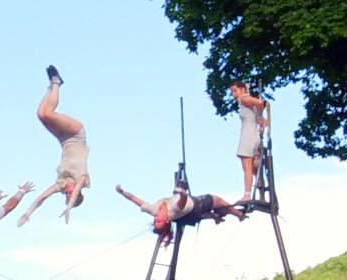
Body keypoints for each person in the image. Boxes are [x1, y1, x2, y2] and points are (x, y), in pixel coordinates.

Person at [18, 65, 89, 226]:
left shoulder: (61, 184)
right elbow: (77, 188)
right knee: (49, 114)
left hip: (63, 139)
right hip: (76, 134)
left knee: (41, 115)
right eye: (69, 195)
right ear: (76, 195)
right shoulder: (82, 179)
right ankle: (57, 82)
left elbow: (42, 197)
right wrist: (69, 207)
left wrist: (28, 212)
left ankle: (51, 85)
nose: (67, 193)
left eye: (67, 196)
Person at [116, 182, 245, 244]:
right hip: (196, 206)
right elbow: (182, 202)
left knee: (213, 211)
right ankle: (237, 214)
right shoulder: (173, 211)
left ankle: (214, 217)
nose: (156, 219)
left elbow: (135, 200)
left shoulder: (153, 210)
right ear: (166, 221)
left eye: (155, 221)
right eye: (159, 221)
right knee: (218, 201)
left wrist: (122, 192)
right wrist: (182, 192)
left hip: (191, 214)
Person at [229, 80, 266, 202]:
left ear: (242, 89)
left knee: (246, 165)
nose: (234, 94)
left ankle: (247, 194)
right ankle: (259, 183)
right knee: (251, 165)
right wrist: (260, 118)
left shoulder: (244, 99)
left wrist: (260, 117)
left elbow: (260, 102)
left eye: (235, 91)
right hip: (250, 133)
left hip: (248, 134)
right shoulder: (246, 101)